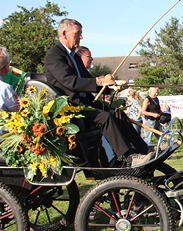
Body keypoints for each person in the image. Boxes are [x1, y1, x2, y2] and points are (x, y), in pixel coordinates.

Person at [44, 18, 148, 164]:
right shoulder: (54, 55)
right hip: (70, 107)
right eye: (77, 33)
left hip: (84, 103)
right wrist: (99, 81)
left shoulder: (74, 57)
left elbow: (88, 81)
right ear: (64, 33)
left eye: (81, 33)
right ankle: (128, 156)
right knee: (105, 117)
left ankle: (143, 150)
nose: (81, 37)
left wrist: (112, 86)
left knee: (117, 113)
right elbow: (70, 81)